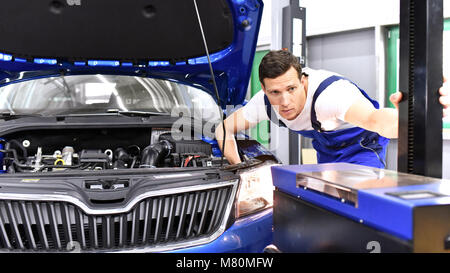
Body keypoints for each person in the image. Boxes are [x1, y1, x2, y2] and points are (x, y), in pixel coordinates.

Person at [215, 50, 450, 168]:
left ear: (303, 80)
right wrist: (238, 167)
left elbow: (376, 121)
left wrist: (414, 118)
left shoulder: (331, 95)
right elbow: (223, 130)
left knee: (361, 208)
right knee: (326, 207)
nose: (284, 101)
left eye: (292, 89)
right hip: (327, 151)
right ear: (264, 90)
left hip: (362, 147)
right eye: (275, 92)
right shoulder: (263, 103)